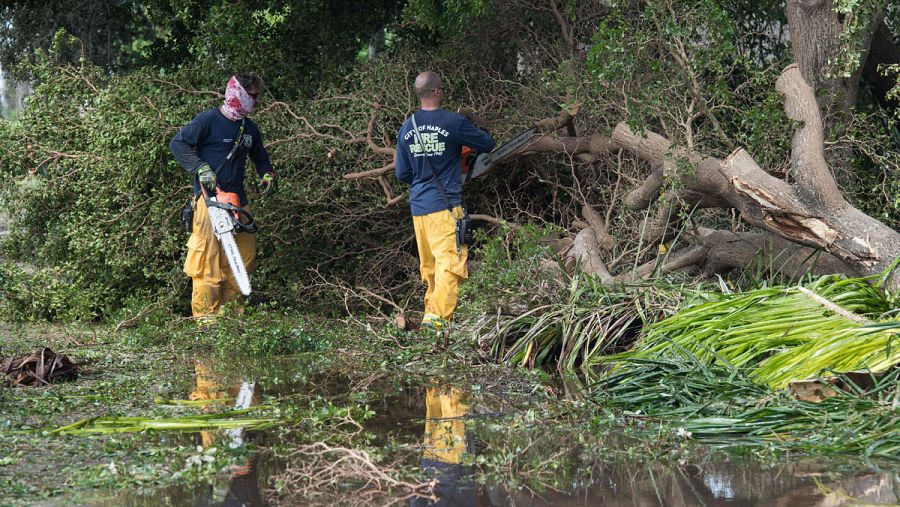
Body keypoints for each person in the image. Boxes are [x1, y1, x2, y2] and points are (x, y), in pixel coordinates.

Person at [170, 74, 277, 319]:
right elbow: (178, 144)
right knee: (207, 261)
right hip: (209, 201)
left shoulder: (249, 128)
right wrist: (200, 168)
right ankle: (206, 321)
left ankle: (230, 318)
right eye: (252, 95)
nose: (256, 100)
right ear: (238, 93)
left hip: (238, 201)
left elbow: (261, 159)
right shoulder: (209, 120)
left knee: (244, 257)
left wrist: (267, 175)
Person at [395, 71, 495, 330]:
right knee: (450, 265)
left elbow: (402, 173)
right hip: (445, 207)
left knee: (430, 268)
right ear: (437, 91)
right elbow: (487, 143)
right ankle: (435, 325)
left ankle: (430, 314)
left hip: (419, 208)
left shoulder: (407, 128)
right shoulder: (452, 122)